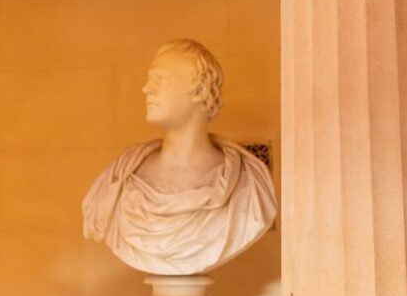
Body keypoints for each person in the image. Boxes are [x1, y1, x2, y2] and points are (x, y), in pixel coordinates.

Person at [82, 39, 277, 275]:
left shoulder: (249, 184)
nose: (146, 88)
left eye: (159, 79)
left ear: (199, 90)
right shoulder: (118, 178)